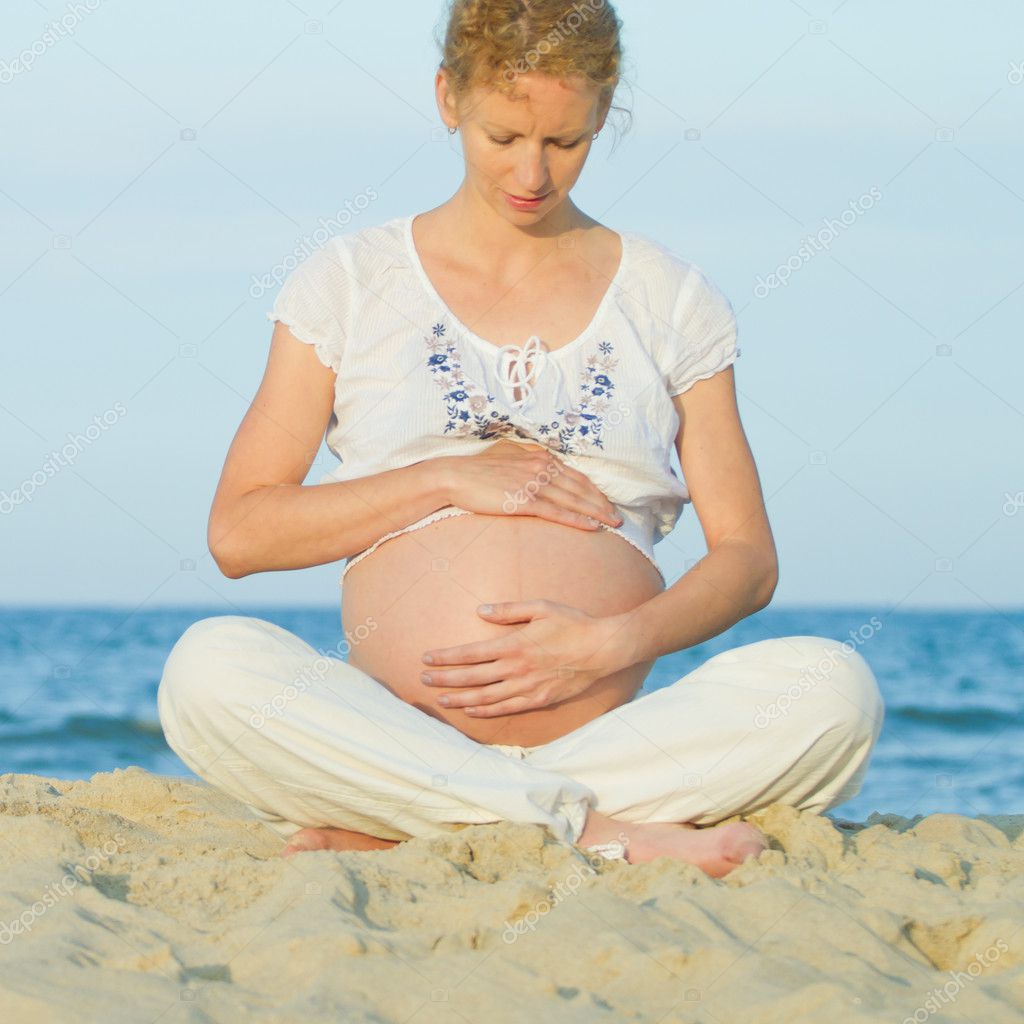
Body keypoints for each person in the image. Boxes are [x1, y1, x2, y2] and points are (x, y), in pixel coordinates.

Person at [157, 0, 885, 878]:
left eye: (566, 141)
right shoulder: (349, 282)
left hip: (604, 732)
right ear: (446, 98)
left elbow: (748, 560)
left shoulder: (671, 300)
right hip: (400, 725)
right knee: (208, 669)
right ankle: (597, 830)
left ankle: (433, 816)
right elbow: (241, 533)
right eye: (504, 136)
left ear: (603, 116)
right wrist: (445, 481)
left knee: (833, 689)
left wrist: (610, 644)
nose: (533, 173)